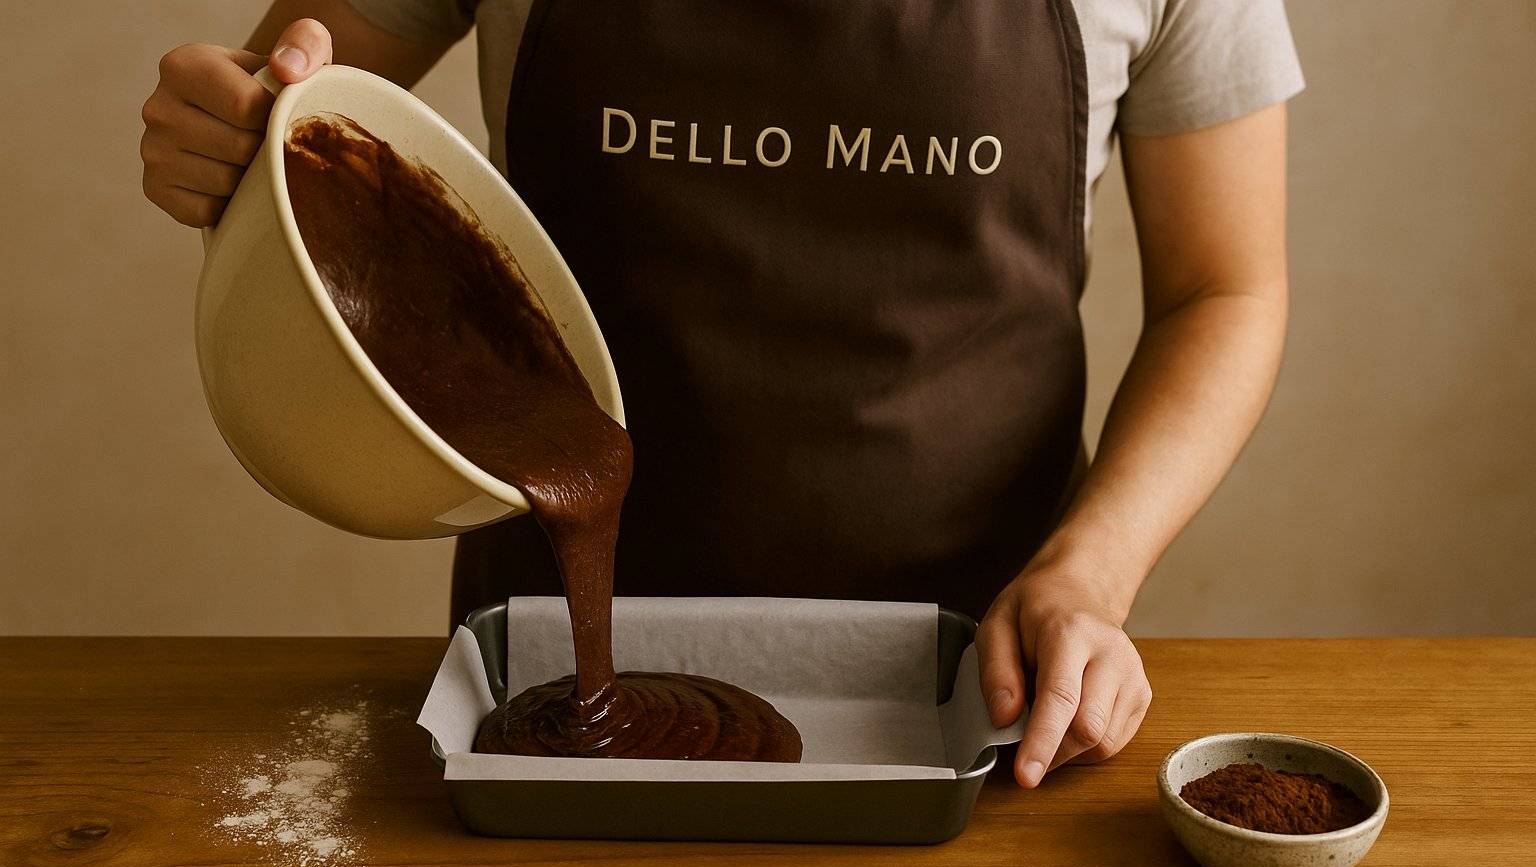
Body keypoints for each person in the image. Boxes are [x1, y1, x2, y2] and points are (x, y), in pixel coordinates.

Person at [140, 0, 1301, 788]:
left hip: (977, 696)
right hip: (556, 691)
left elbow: (1224, 291)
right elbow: (292, 108)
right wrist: (225, 125)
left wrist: (1090, 572)